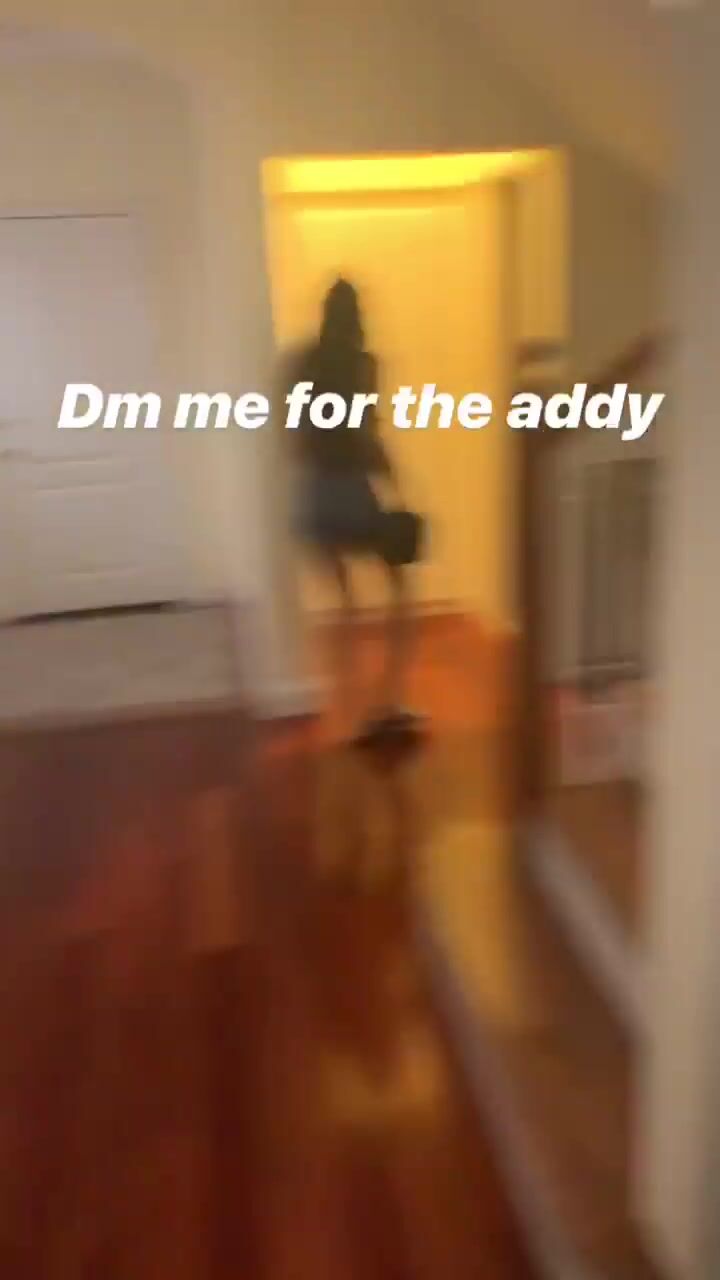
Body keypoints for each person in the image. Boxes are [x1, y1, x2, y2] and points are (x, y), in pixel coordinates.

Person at [284, 277, 418, 742]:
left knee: (345, 606)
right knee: (401, 592)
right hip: (353, 489)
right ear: (359, 318)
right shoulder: (364, 365)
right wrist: (396, 489)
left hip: (315, 492)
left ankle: (349, 712)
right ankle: (389, 701)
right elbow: (367, 433)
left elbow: (294, 433)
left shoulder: (301, 362)